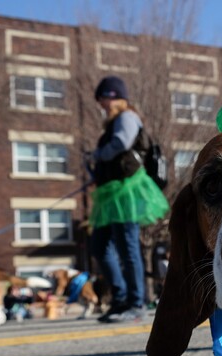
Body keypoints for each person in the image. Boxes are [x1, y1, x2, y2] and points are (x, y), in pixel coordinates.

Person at [88, 76, 169, 323]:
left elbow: (122, 142)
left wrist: (98, 154)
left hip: (127, 191)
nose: (101, 104)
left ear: (113, 97)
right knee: (100, 246)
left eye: (102, 99)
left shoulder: (127, 117)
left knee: (128, 247)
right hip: (110, 192)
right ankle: (120, 298)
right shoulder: (113, 121)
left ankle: (136, 302)